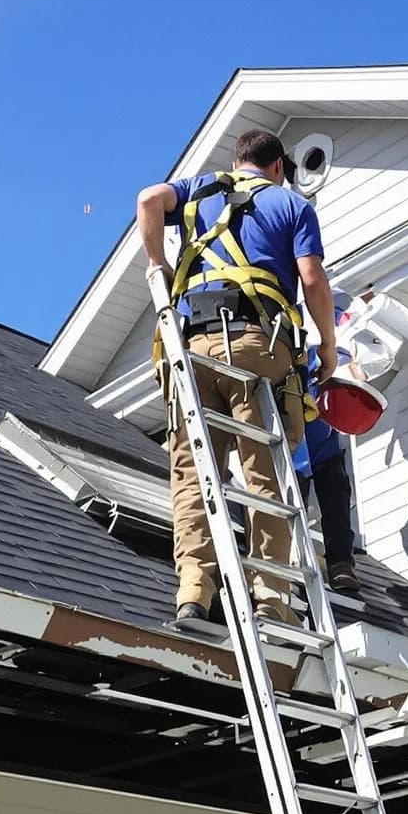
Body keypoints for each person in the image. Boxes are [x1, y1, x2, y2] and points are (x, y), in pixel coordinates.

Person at [136, 130, 338, 629]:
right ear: (277, 168)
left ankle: (194, 592)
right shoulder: (290, 205)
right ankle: (271, 599)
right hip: (256, 346)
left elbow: (147, 200)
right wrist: (328, 345)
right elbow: (311, 278)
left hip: (192, 349)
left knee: (193, 472)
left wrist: (158, 266)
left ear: (236, 161)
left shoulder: (201, 189)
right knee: (264, 475)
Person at [295, 342, 361, 597]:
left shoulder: (337, 322)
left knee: (334, 485)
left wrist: (350, 363)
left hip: (320, 420)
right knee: (291, 487)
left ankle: (341, 562)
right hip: (290, 408)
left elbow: (358, 371)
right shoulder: (294, 317)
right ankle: (292, 556)